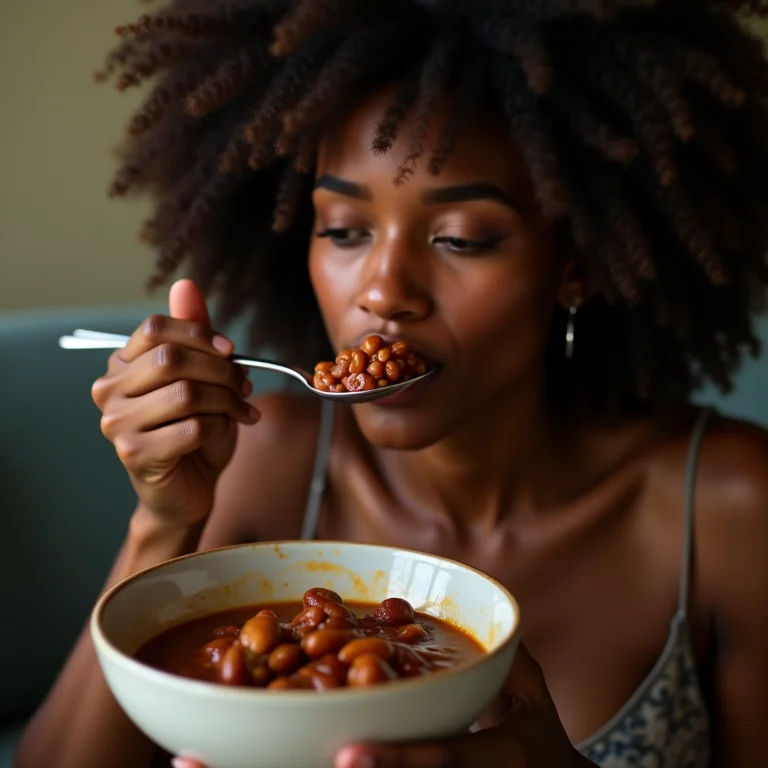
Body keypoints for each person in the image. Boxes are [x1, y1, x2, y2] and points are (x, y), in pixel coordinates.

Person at [15, 0, 768, 766]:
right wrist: (162, 521)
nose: (382, 290)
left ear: (574, 262)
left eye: (461, 238)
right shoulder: (263, 461)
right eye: (344, 230)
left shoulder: (729, 512)